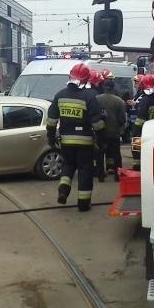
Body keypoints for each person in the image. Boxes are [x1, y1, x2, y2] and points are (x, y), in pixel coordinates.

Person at [46, 63, 106, 212]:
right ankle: (83, 204)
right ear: (86, 80)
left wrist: (51, 138)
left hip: (66, 140)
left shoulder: (60, 95)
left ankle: (63, 191)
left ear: (70, 76)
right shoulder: (89, 96)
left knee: (68, 166)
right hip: (85, 141)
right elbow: (97, 123)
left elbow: (51, 120)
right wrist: (102, 141)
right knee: (85, 171)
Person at [96, 70, 127, 180]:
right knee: (116, 154)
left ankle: (100, 176)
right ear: (113, 87)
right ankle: (117, 175)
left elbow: (94, 115)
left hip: (101, 132)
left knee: (100, 154)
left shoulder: (97, 99)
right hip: (114, 132)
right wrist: (118, 126)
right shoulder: (119, 101)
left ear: (104, 87)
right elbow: (122, 119)